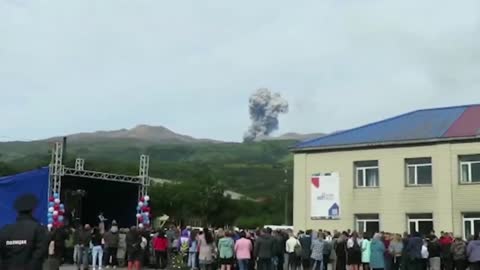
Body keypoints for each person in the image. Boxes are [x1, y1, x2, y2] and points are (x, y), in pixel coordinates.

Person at [0, 193, 48, 270]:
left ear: (17, 211)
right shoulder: (38, 229)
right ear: (33, 210)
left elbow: (2, 256)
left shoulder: (5, 229)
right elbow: (40, 254)